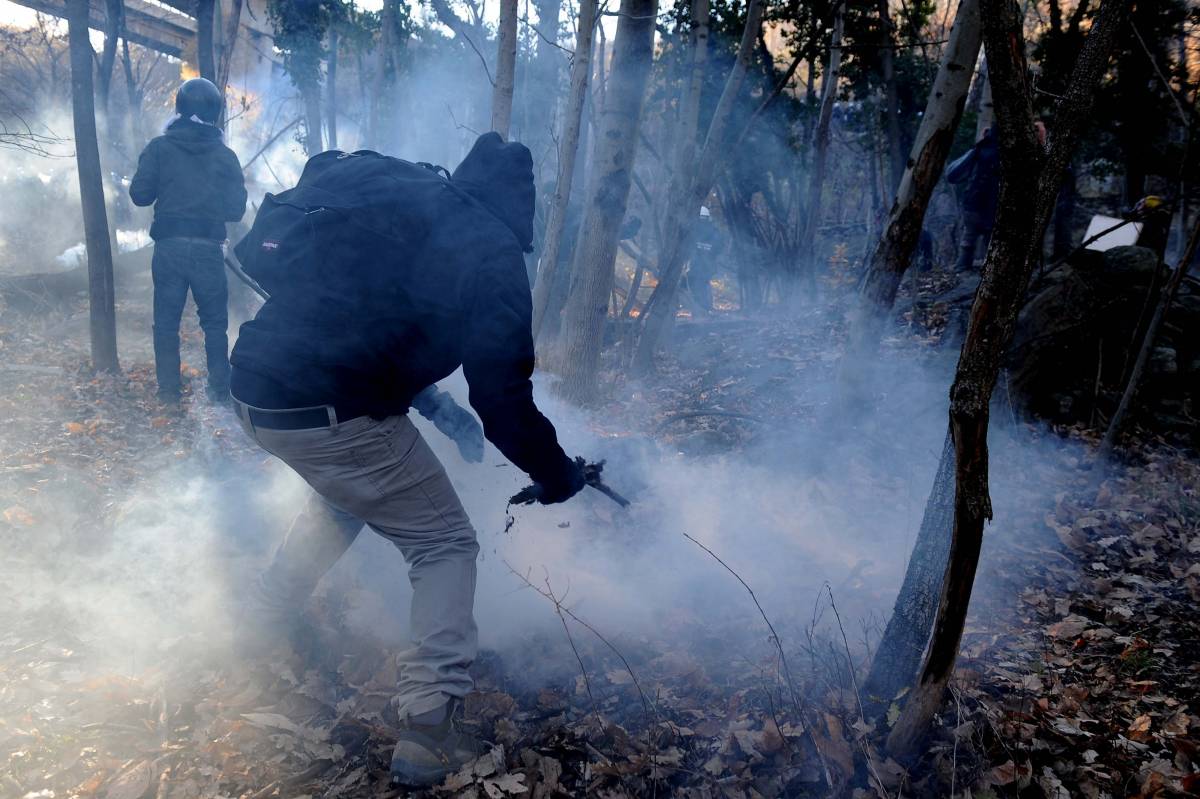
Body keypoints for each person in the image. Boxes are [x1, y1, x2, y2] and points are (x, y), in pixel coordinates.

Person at [227, 133, 586, 787]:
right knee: (445, 543)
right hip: (327, 406)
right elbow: (504, 398)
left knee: (353, 492)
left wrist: (443, 412)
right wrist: (554, 471)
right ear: (522, 206)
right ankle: (428, 730)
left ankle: (265, 612)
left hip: (255, 390)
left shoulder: (412, 203)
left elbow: (368, 327)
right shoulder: (493, 250)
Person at [129, 78, 247, 404]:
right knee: (214, 326)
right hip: (209, 249)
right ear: (215, 113)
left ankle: (168, 393)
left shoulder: (159, 148)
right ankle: (220, 392)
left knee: (166, 324)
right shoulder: (225, 156)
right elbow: (236, 210)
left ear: (178, 108)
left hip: (169, 248)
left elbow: (140, 195)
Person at [946, 126, 999, 273]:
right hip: (990, 204)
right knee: (988, 238)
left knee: (969, 236)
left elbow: (954, 173)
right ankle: (987, 270)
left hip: (974, 202)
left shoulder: (979, 149)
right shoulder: (987, 150)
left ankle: (963, 266)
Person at [686, 206, 724, 313]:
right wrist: (710, 253)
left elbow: (687, 246)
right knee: (704, 284)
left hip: (696, 265)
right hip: (708, 265)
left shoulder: (694, 229)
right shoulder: (714, 230)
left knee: (697, 286)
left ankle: (702, 309)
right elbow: (719, 247)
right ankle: (707, 308)